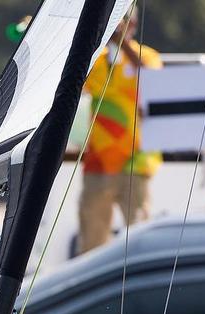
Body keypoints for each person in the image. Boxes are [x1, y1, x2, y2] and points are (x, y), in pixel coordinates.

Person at [78, 9, 163, 255]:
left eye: (121, 20)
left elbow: (154, 80)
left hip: (136, 161)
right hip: (99, 163)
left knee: (139, 240)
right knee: (91, 241)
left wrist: (123, 44)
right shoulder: (97, 59)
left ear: (133, 23)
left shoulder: (147, 56)